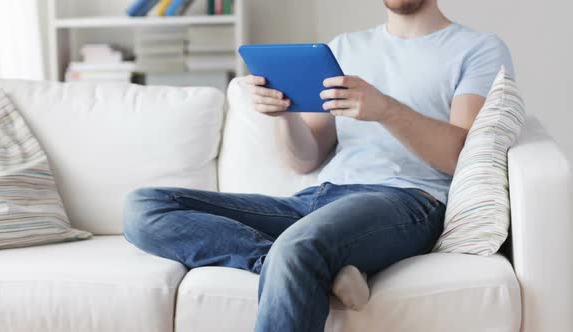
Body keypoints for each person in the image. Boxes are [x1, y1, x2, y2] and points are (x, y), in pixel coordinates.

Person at [123, 0, 514, 331]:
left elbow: (457, 155)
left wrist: (385, 110)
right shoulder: (345, 48)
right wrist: (285, 114)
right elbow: (306, 158)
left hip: (407, 201)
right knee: (145, 207)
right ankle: (301, 264)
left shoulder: (476, 48)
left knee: (300, 246)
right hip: (318, 199)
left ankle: (302, 259)